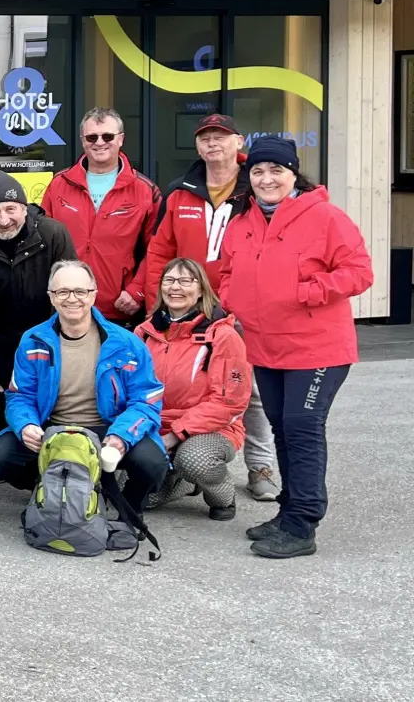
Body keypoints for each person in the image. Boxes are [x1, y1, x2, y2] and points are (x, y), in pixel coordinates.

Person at [218, 136, 373, 559]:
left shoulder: (324, 217)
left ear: (293, 174)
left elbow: (359, 273)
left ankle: (303, 524)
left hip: (317, 349)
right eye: (258, 171)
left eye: (276, 171)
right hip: (265, 347)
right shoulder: (243, 221)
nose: (267, 179)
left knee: (302, 429)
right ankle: (288, 512)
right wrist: (235, 299)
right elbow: (227, 272)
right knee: (282, 430)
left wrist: (306, 290)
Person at [130, 113, 279, 503]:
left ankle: (260, 467)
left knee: (251, 392)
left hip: (245, 306)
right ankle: (185, 464)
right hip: (191, 305)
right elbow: (160, 251)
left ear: (238, 142)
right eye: (206, 138)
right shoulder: (181, 194)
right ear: (198, 147)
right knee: (185, 383)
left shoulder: (258, 190)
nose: (213, 144)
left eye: (221, 137)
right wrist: (154, 306)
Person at [0, 260, 168, 519]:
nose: (72, 299)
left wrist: (121, 436)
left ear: (93, 295)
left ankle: (129, 505)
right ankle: (51, 486)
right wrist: (26, 426)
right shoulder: (33, 340)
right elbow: (19, 395)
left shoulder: (126, 343)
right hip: (53, 426)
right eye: (62, 292)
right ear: (51, 298)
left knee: (153, 463)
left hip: (107, 427)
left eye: (80, 291)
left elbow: (146, 400)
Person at [0, 171, 77, 436]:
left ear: (25, 208)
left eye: (11, 209)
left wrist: (64, 348)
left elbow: (69, 297)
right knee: (4, 420)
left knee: (51, 407)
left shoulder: (54, 234)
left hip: (49, 332)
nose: (4, 219)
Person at [134, 258, 251, 522]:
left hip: (212, 429)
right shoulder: (144, 332)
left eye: (186, 281)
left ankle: (221, 494)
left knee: (196, 459)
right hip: (156, 425)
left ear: (201, 289)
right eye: (169, 280)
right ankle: (181, 481)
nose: (176, 287)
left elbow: (229, 403)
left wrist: (175, 435)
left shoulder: (222, 336)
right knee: (134, 496)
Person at [41, 107, 162, 324]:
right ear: (82, 140)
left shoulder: (144, 190)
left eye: (107, 136)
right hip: (66, 305)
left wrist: (137, 290)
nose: (99, 142)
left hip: (118, 308)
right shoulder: (59, 184)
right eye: (91, 137)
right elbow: (41, 242)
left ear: (121, 139)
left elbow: (157, 249)